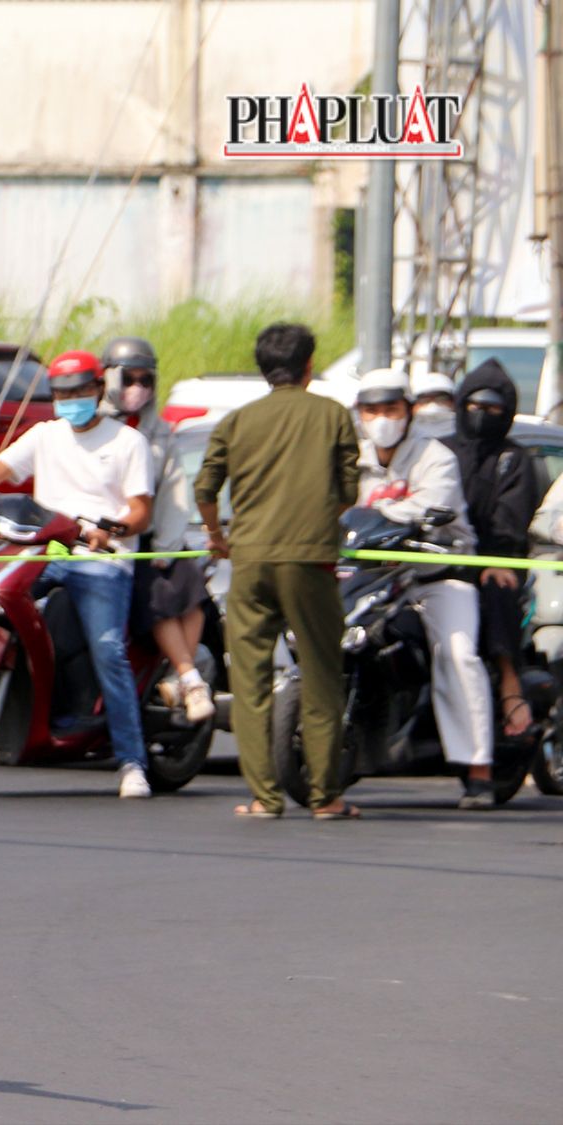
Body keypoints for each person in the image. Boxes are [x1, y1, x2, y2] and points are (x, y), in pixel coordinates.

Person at [0, 351, 156, 798]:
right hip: (43, 549)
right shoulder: (45, 435)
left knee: (108, 649)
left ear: (99, 391)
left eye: (78, 392)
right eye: (61, 394)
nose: (70, 400)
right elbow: (1, 468)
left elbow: (140, 510)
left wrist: (114, 528)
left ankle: (133, 762)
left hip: (101, 557)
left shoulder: (128, 442)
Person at [194, 322, 360, 820]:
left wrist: (218, 538)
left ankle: (265, 797)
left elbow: (205, 490)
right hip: (311, 561)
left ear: (264, 369)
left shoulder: (237, 421)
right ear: (309, 366)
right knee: (321, 673)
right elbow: (348, 492)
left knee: (249, 678)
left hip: (249, 560)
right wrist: (313, 523)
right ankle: (325, 795)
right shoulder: (332, 415)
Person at [353, 369, 496, 809]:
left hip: (436, 577)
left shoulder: (436, 457)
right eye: (372, 410)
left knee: (456, 654)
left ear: (409, 412)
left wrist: (376, 514)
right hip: (371, 577)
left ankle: (479, 770)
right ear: (359, 415)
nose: (382, 419)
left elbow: (434, 504)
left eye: (391, 409)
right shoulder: (351, 459)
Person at [101, 336, 214, 725]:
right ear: (109, 379)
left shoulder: (160, 430)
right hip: (107, 537)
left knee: (190, 583)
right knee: (158, 593)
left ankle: (179, 675)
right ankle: (189, 675)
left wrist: (166, 547)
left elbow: (175, 489)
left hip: (151, 534)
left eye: (145, 380)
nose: (137, 389)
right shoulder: (94, 425)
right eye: (128, 379)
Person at [442, 359, 543, 770]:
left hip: (493, 560)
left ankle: (509, 682)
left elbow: (511, 520)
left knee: (497, 588)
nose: (482, 415)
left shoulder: (513, 460)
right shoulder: (441, 451)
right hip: (437, 560)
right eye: (475, 406)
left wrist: (495, 558)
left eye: (493, 408)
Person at [410, 371, 459, 440]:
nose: (433, 406)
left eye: (441, 399)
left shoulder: (463, 434)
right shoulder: (404, 436)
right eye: (424, 400)